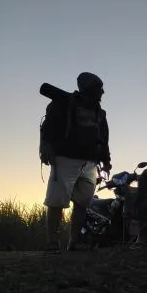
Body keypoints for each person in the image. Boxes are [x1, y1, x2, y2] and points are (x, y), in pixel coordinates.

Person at [40, 72, 112, 252]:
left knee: (82, 203)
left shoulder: (100, 114)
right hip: (65, 158)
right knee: (57, 201)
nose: (102, 92)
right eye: (99, 88)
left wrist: (106, 160)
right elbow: (47, 128)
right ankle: (51, 243)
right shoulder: (63, 104)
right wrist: (45, 148)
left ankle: (75, 242)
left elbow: (103, 138)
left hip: (90, 163)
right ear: (88, 88)